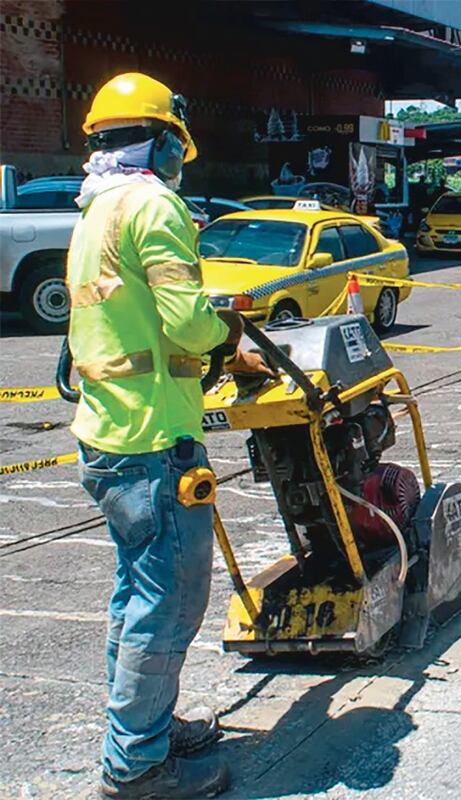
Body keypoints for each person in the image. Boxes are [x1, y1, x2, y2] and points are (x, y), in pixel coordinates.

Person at [69, 72, 272, 798]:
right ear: (162, 142)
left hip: (108, 433)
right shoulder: (154, 204)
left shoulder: (94, 208)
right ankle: (136, 769)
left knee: (136, 596)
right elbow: (187, 322)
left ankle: (143, 729)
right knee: (170, 602)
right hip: (154, 439)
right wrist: (229, 336)